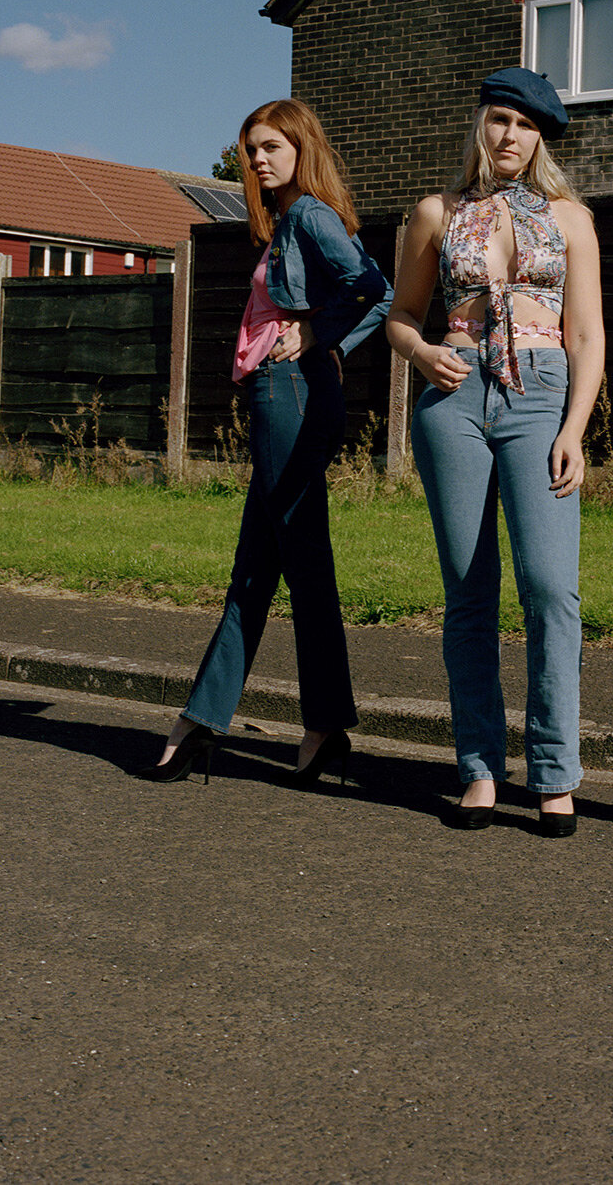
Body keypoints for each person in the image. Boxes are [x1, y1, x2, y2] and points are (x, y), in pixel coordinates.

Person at [144, 99, 392, 786]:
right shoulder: (288, 219)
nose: (257, 160)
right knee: (259, 566)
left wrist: (318, 338)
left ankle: (298, 723)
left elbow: (374, 287)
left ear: (300, 149)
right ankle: (218, 721)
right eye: (250, 149)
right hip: (282, 393)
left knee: (297, 558)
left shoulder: (308, 213)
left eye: (270, 148)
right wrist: (325, 342)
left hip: (292, 396)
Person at [386, 68, 604, 836]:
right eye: (498, 120)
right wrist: (418, 354)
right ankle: (479, 766)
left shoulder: (570, 219)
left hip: (542, 395)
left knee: (551, 589)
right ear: (480, 124)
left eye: (525, 125)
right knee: (469, 592)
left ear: (542, 136)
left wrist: (575, 429)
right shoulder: (437, 213)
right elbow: (401, 315)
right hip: (455, 397)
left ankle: (553, 772)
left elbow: (586, 335)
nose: (509, 137)